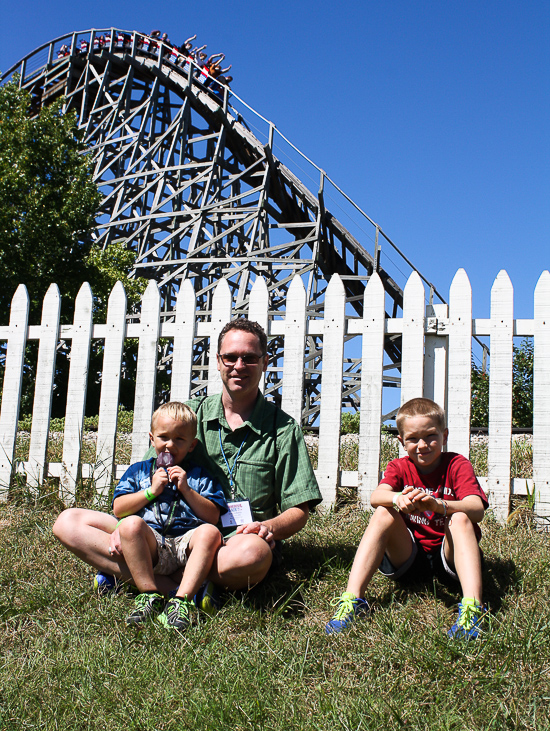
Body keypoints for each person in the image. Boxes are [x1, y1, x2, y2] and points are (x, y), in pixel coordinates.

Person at [53, 319, 321, 599]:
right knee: (68, 523)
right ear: (217, 362)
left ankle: (134, 576)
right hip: (165, 533)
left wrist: (268, 527)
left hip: (231, 545)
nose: (238, 366)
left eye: (250, 358)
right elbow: (147, 476)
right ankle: (185, 589)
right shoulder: (187, 417)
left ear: (265, 362)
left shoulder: (283, 429)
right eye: (230, 357)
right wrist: (124, 526)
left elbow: (298, 510)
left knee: (254, 555)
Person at [325, 397, 489, 639]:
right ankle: (353, 600)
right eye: (413, 439)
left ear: (444, 435)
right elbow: (376, 496)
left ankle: (473, 609)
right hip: (410, 558)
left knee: (462, 518)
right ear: (402, 442)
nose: (422, 445)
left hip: (450, 558)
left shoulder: (456, 464)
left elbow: (477, 508)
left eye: (431, 436)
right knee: (383, 512)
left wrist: (438, 505)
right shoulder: (399, 467)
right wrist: (397, 499)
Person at [54, 402, 227, 629]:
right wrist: (150, 492)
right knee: (130, 524)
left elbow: (213, 516)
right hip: (151, 544)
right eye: (163, 437)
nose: (170, 445)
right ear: (151, 439)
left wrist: (187, 489)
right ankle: (149, 594)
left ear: (192, 445)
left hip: (187, 543)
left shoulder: (199, 476)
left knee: (210, 532)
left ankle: (181, 600)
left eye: (179, 440)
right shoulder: (139, 471)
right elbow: (119, 509)